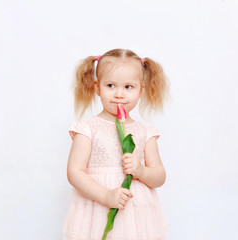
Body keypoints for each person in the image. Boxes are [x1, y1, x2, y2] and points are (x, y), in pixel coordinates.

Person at [63, 48, 169, 240]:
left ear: (141, 91)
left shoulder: (145, 133)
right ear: (97, 87)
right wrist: (105, 196)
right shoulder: (87, 129)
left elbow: (159, 177)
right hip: (97, 209)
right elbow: (74, 172)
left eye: (128, 87)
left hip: (135, 216)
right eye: (110, 85)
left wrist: (142, 171)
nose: (119, 94)